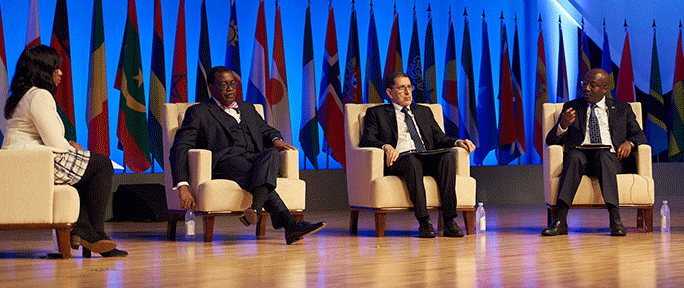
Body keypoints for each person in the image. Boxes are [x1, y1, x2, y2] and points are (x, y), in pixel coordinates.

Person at [169, 66, 326, 243]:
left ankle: (258, 210)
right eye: (223, 85)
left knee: (272, 155)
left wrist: (276, 140)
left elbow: (267, 131)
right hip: (224, 162)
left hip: (253, 159)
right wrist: (183, 185)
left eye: (232, 84)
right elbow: (180, 147)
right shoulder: (198, 112)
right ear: (211, 86)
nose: (229, 88)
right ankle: (288, 223)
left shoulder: (248, 108)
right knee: (256, 171)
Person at [2, 45, 127, 257]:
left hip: (25, 161)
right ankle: (96, 234)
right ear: (42, 71)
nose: (60, 73)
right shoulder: (39, 95)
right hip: (34, 163)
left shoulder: (22, 95)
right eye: (55, 68)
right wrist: (71, 147)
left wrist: (68, 147)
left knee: (83, 171)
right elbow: (56, 143)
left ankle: (84, 231)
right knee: (102, 165)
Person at [360, 72, 476, 238]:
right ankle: (424, 221)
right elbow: (367, 139)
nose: (408, 92)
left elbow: (439, 138)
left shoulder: (423, 111)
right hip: (400, 160)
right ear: (389, 92)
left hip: (424, 156)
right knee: (412, 160)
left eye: (409, 87)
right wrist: (385, 146)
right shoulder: (376, 113)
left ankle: (449, 220)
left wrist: (458, 142)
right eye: (401, 88)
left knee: (448, 156)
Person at [541, 68, 647, 237]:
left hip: (610, 159)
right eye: (585, 83)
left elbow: (639, 134)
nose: (586, 88)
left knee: (603, 154)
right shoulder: (572, 107)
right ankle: (560, 221)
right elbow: (551, 140)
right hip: (580, 160)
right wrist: (563, 125)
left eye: (593, 85)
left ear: (605, 89)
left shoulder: (622, 108)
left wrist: (630, 142)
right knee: (574, 155)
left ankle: (615, 220)